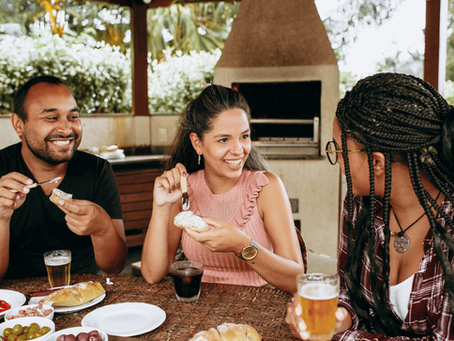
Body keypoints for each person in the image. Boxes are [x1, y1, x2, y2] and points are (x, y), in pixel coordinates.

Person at [285, 72, 454, 340]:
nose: (337, 161)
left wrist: (338, 338)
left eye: (339, 152)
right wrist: (339, 317)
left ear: (377, 163)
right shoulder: (360, 205)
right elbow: (350, 295)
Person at [141, 84, 305, 293]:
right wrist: (161, 207)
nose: (238, 150)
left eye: (244, 136)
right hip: (198, 308)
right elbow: (152, 274)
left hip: (259, 308)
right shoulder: (183, 189)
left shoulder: (266, 187)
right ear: (197, 143)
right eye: (223, 139)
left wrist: (243, 246)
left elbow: (297, 280)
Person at [0, 76, 127, 280]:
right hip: (14, 302)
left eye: (73, 117)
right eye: (51, 118)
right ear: (18, 124)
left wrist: (103, 228)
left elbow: (115, 268)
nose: (67, 130)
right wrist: (1, 218)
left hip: (84, 294)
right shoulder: (2, 173)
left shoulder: (97, 170)